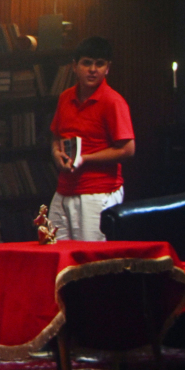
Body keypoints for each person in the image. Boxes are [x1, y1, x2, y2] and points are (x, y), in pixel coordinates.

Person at [48, 36, 134, 241]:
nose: (93, 69)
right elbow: (56, 137)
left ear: (107, 68)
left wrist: (85, 158)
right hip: (64, 190)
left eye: (99, 64)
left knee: (91, 256)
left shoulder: (113, 101)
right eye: (87, 63)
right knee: (55, 251)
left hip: (98, 192)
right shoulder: (65, 97)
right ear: (75, 66)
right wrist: (56, 153)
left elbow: (128, 149)